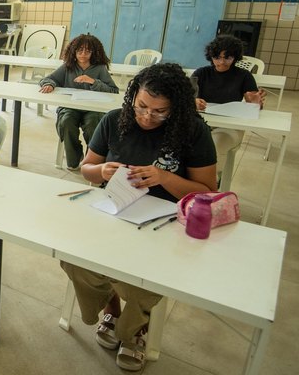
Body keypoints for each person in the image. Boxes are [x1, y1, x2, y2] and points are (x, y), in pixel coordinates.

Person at [62, 63, 217, 371]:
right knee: (73, 258)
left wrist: (163, 177)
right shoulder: (114, 121)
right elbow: (86, 169)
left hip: (165, 221)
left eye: (160, 112)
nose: (147, 117)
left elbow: (207, 192)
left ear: (177, 109)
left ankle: (135, 330)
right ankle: (112, 307)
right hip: (115, 212)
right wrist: (102, 170)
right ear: (132, 97)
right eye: (141, 107)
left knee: (146, 279)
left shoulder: (193, 131)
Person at [192, 35, 265, 184]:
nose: (221, 62)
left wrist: (255, 102)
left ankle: (209, 184)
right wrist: (193, 101)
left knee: (216, 145)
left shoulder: (244, 75)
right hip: (202, 123)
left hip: (229, 126)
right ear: (210, 56)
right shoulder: (201, 73)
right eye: (217, 57)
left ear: (235, 57)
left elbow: (252, 99)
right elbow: (186, 97)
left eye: (227, 58)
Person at [39, 34, 118, 170]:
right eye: (79, 50)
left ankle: (91, 160)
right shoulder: (68, 67)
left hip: (93, 108)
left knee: (93, 124)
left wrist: (93, 81)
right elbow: (48, 79)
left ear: (94, 52)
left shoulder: (99, 68)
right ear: (73, 52)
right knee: (66, 122)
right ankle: (74, 158)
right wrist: (50, 85)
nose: (83, 54)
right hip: (70, 107)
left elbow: (113, 91)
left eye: (88, 51)